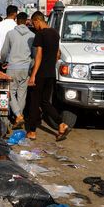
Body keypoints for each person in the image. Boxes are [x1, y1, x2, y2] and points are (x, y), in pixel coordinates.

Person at [27, 11, 70, 141]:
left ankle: (32, 132)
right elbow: (58, 54)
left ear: (37, 21)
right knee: (45, 102)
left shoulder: (40, 34)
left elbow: (38, 56)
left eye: (33, 24)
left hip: (40, 74)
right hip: (51, 73)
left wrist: (33, 75)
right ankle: (61, 124)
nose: (34, 27)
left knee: (34, 102)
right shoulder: (55, 33)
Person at [0, 11, 34, 129]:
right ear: (26, 21)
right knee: (22, 95)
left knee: (9, 93)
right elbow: (34, 54)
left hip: (12, 67)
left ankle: (18, 116)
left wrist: (2, 61)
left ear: (17, 21)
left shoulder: (10, 34)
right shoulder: (32, 35)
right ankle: (20, 116)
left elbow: (4, 52)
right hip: (26, 68)